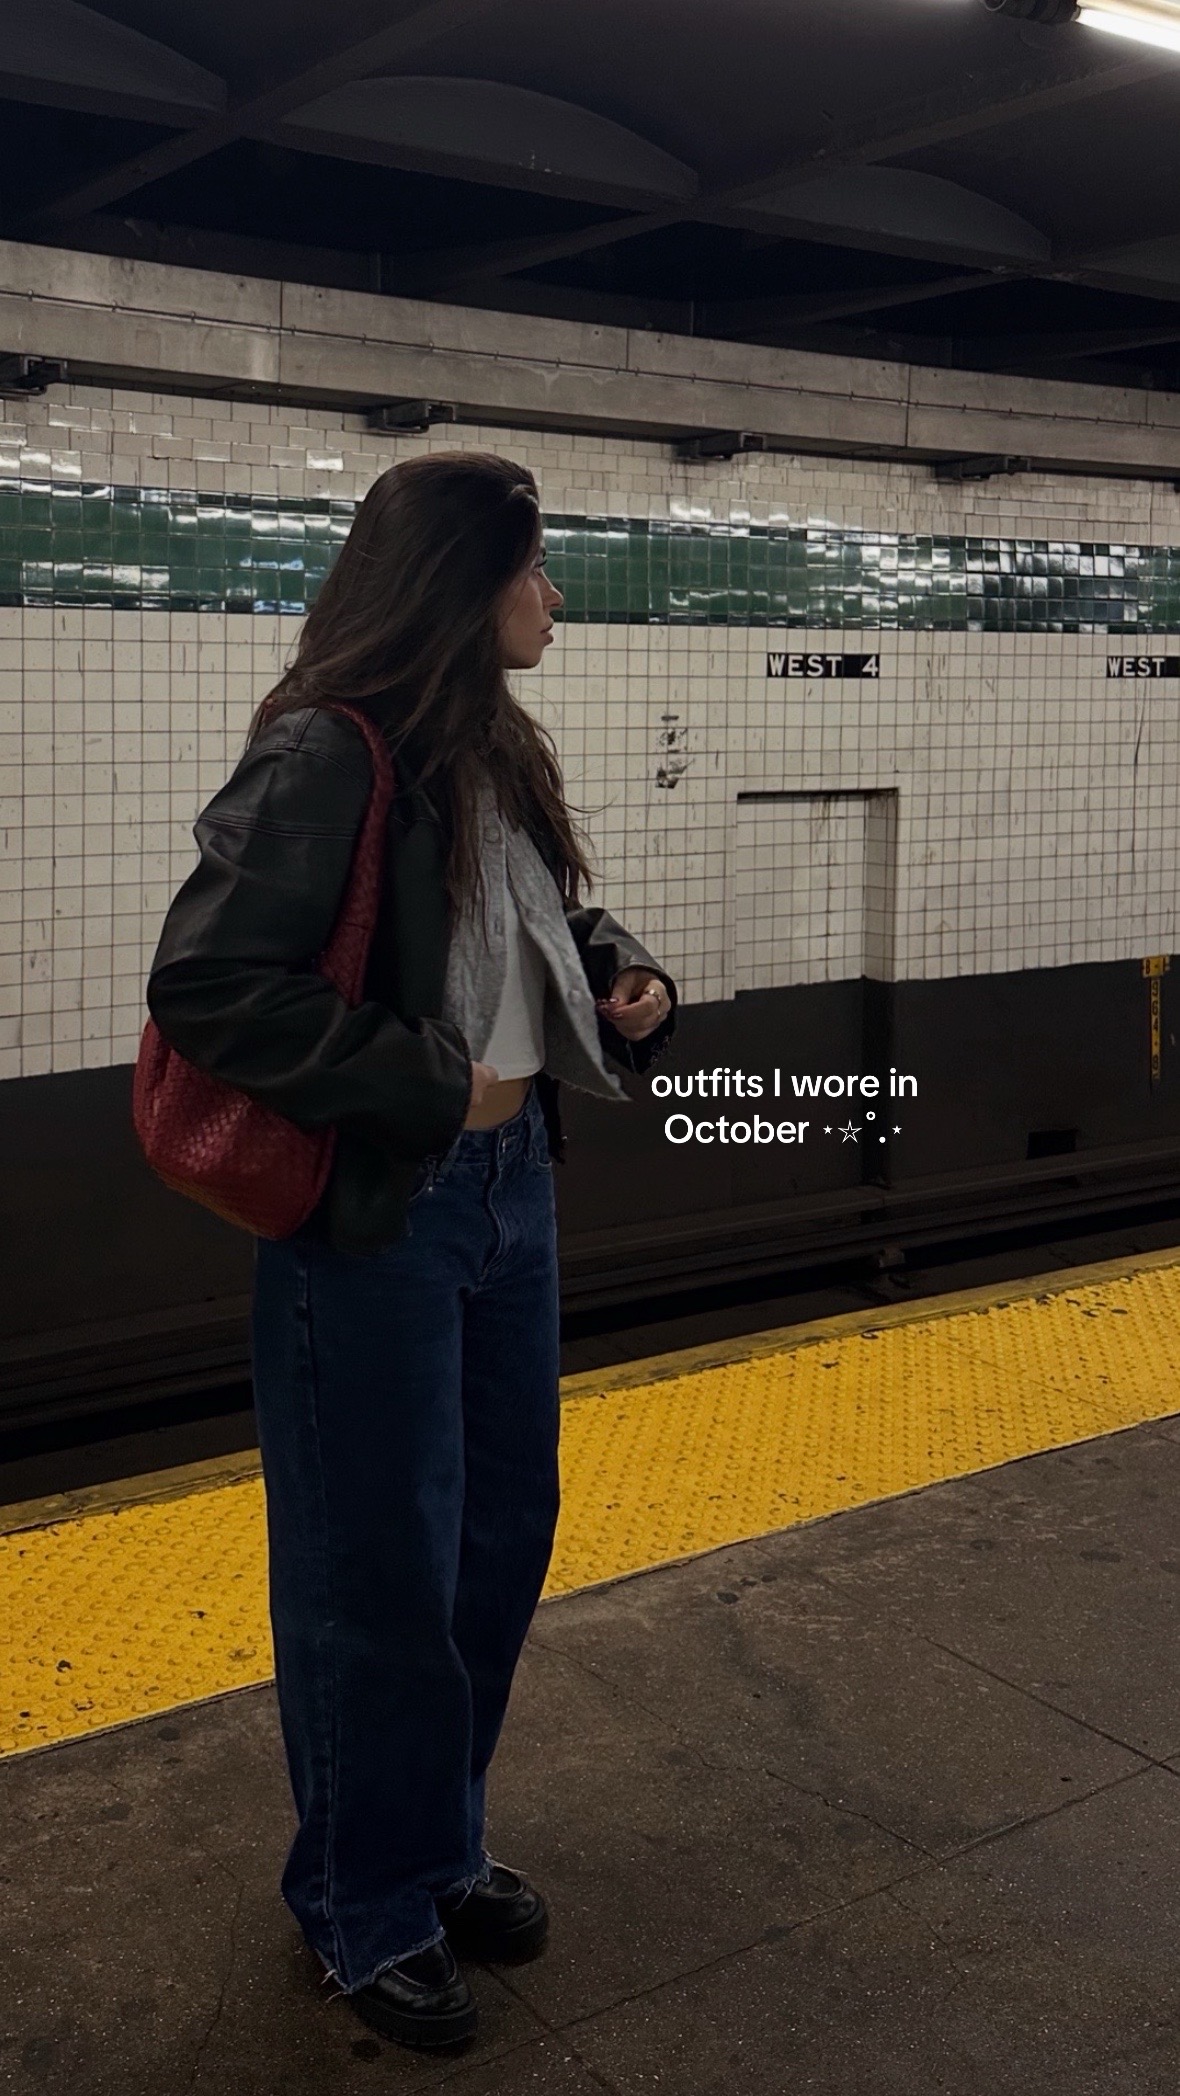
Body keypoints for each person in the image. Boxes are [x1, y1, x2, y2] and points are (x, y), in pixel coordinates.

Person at [144, 452, 677, 2054]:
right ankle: (360, 1902)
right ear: (460, 583)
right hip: (382, 1212)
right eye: (532, 568)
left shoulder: (489, 745)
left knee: (496, 1536)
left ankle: (436, 1847)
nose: (552, 596)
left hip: (513, 1197)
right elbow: (212, 983)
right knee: (374, 1570)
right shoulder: (327, 748)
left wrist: (620, 975)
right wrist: (435, 1088)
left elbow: (522, 925)